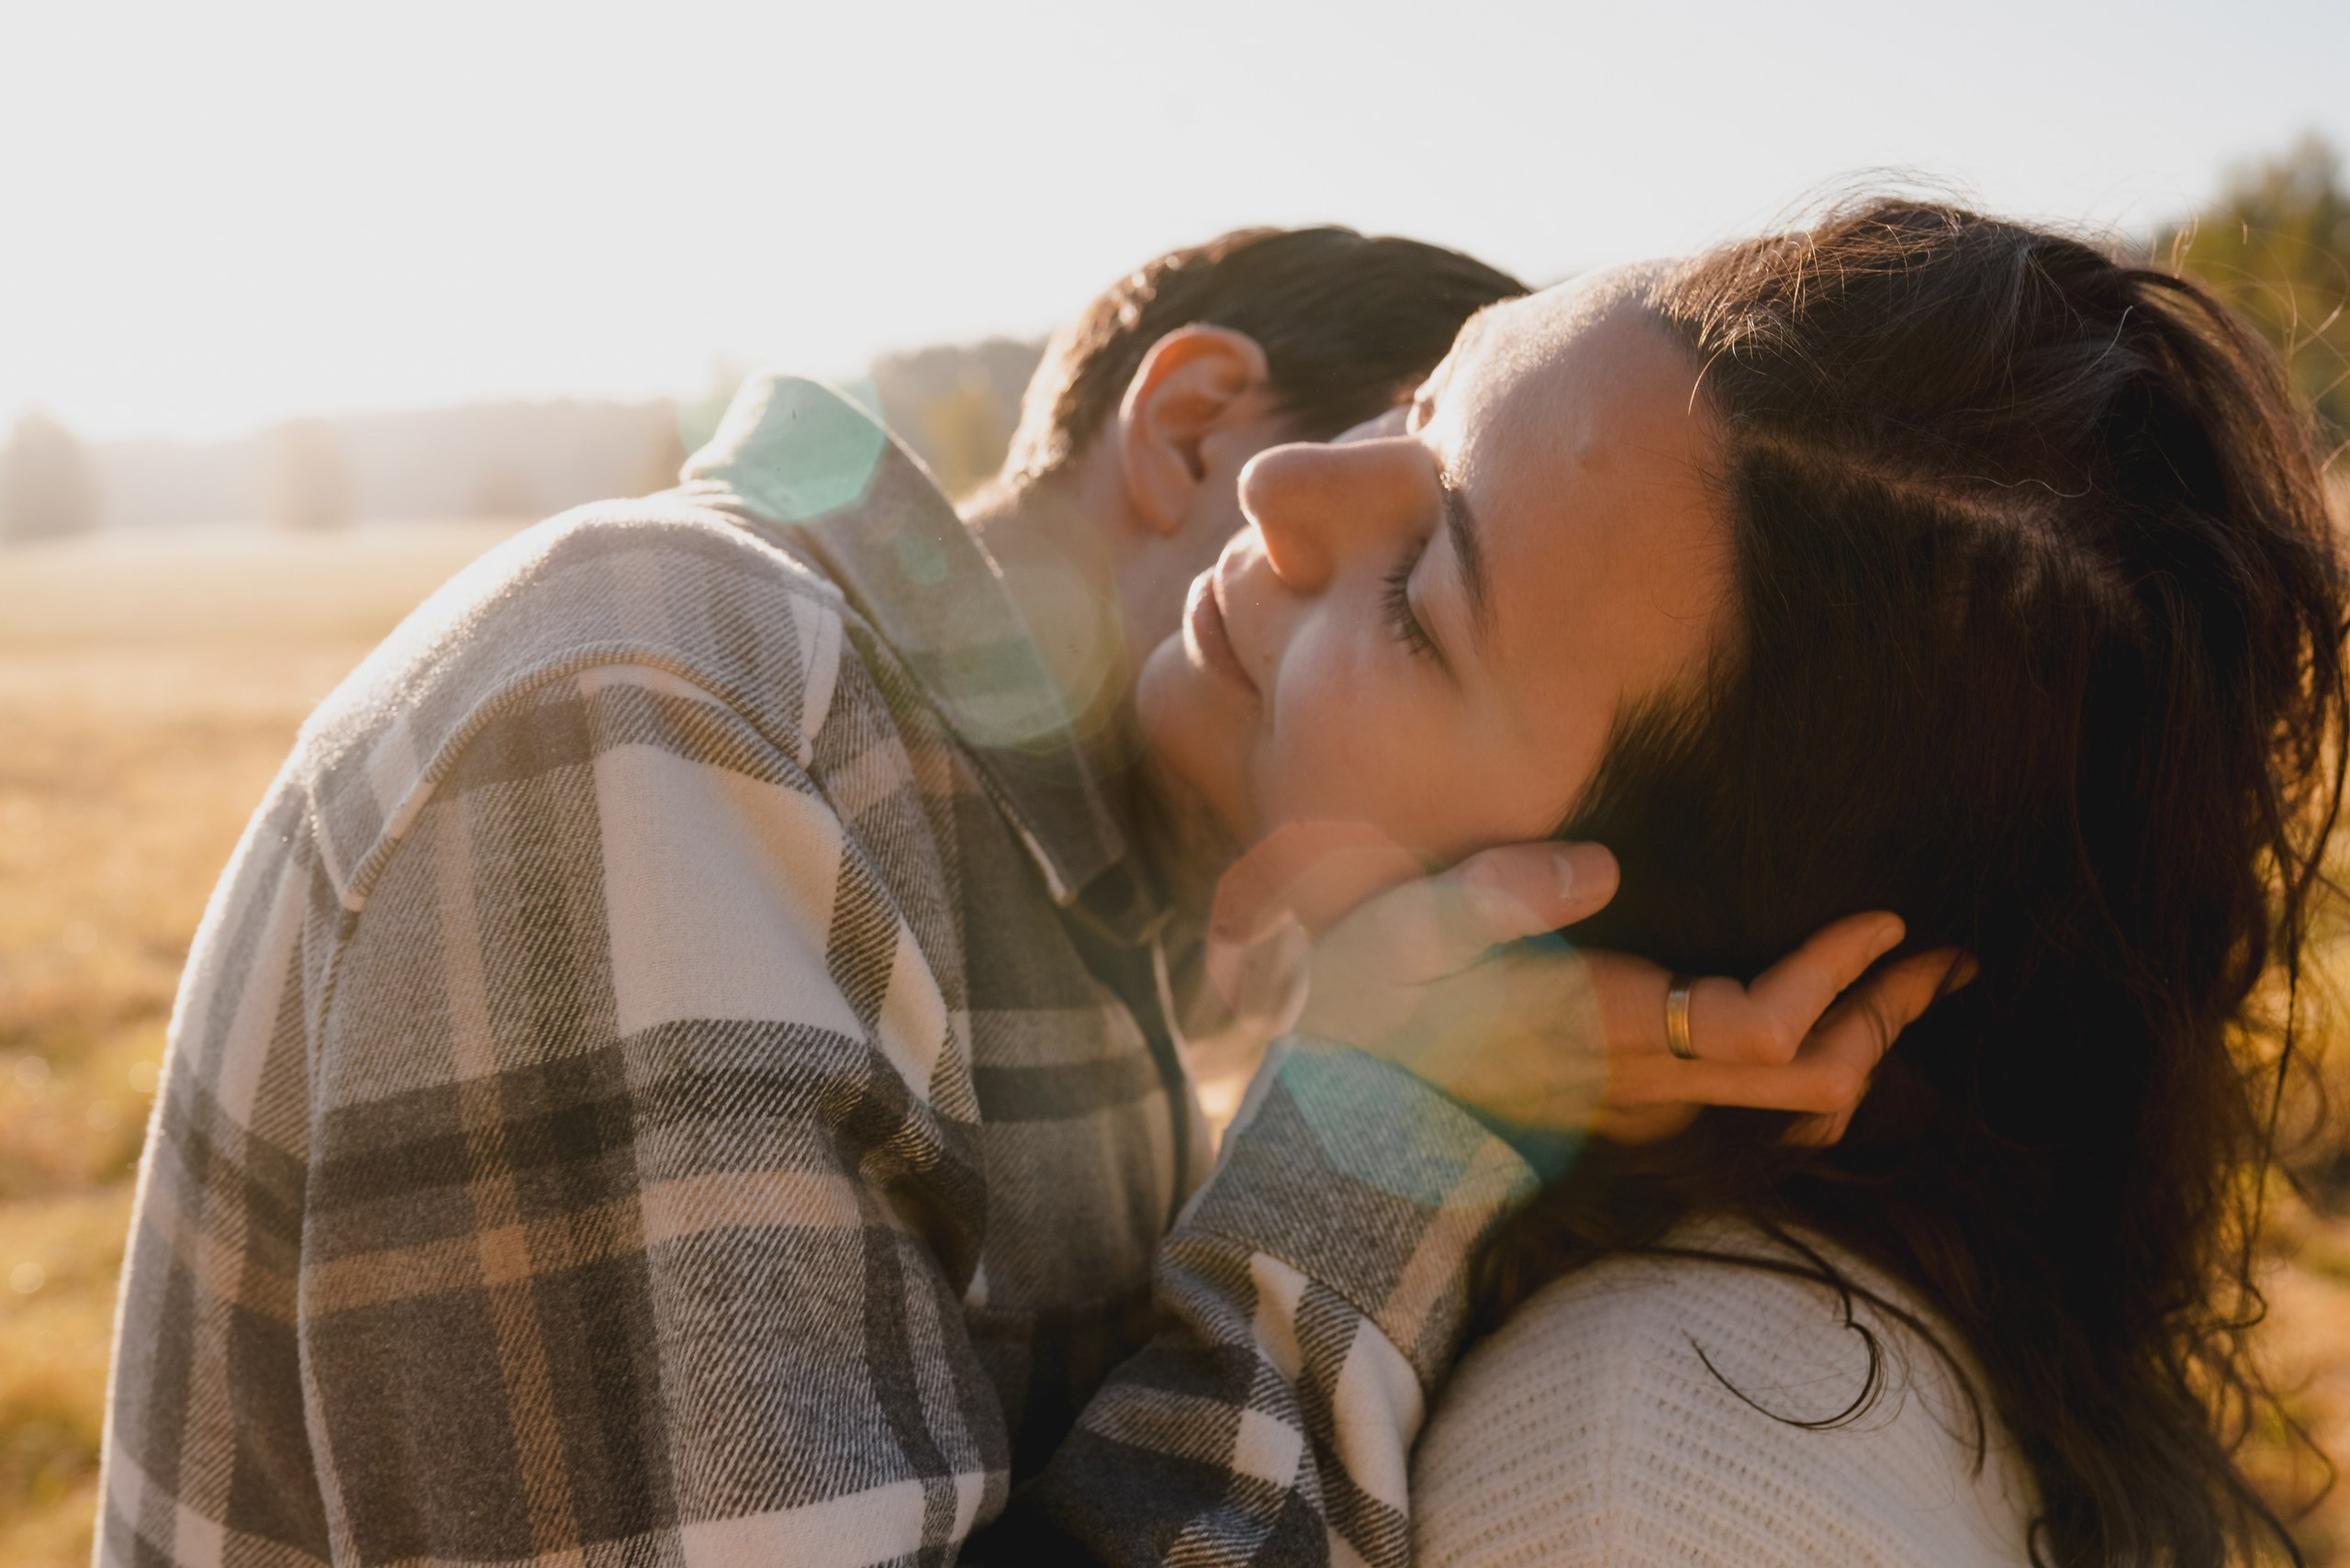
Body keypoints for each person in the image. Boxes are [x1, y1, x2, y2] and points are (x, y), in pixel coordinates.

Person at [95, 227, 1917, 1567]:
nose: (1295, 500)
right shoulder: (677, 710)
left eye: (1431, 599)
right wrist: (1386, 1133)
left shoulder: (1062, 911)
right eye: (1405, 439)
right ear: (1190, 426)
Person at [1113, 202, 2343, 1564]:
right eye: (1421, 402)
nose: (1280, 480)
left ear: (1660, 964)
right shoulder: (1814, 1353)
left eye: (1419, 606)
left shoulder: (1622, 1493)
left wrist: (1372, 1121)